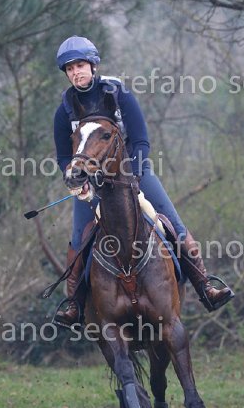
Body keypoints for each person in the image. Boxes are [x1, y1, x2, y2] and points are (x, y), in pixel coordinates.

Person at [53, 36, 234, 327]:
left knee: (173, 224)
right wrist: (75, 181)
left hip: (132, 172)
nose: (76, 73)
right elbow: (64, 156)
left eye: (80, 66)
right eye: (70, 69)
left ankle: (205, 286)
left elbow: (140, 140)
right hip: (92, 183)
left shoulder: (118, 94)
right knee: (78, 239)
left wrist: (133, 176)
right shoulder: (65, 110)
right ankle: (74, 304)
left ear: (93, 65)